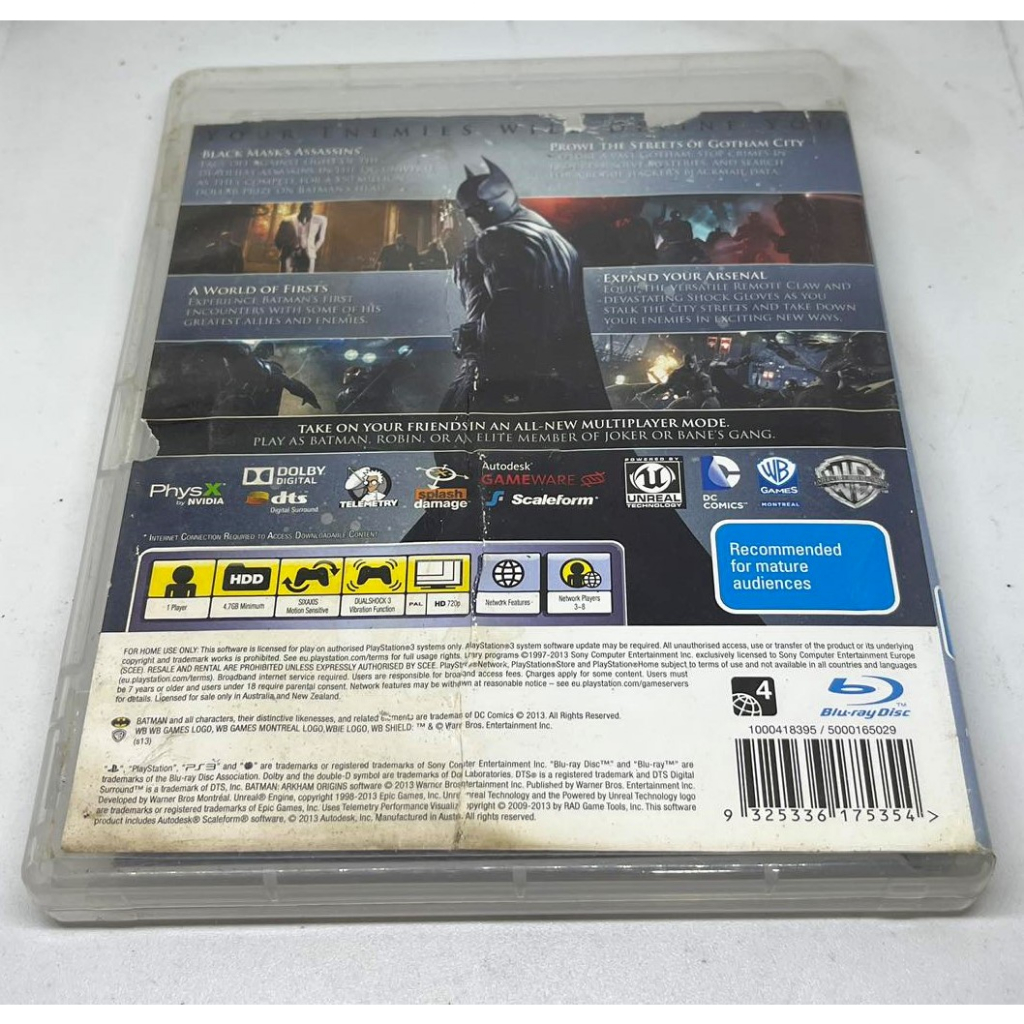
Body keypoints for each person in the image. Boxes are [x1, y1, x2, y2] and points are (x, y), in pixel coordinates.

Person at [445, 158, 609, 413]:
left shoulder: (496, 237)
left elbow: (505, 310)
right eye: (465, 209)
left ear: (497, 201)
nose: (468, 216)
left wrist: (474, 342)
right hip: (571, 383)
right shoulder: (558, 242)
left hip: (515, 383)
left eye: (476, 207)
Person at [274, 203, 327, 272]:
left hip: (308, 255)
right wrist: (288, 249)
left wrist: (311, 250)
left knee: (305, 277)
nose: (307, 212)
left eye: (309, 209)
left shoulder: (321, 220)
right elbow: (278, 239)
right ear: (301, 209)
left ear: (312, 210)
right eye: (305, 209)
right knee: (286, 276)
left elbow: (321, 239)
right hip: (289, 255)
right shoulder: (288, 220)